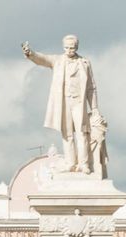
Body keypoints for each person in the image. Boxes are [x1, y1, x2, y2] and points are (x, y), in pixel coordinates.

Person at [23, 35, 100, 173]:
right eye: (67, 48)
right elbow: (43, 59)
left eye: (72, 48)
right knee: (67, 134)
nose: (69, 50)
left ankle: (84, 164)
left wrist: (94, 108)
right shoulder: (58, 60)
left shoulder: (85, 63)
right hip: (64, 101)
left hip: (79, 102)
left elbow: (91, 87)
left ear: (77, 47)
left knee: (82, 133)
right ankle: (70, 163)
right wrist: (30, 53)